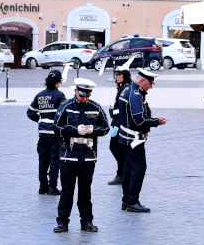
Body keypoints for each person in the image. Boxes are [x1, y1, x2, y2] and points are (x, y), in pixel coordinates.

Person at [52, 78, 109, 233]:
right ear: (76, 91)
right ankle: (62, 222)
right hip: (68, 156)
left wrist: (92, 130)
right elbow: (56, 127)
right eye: (82, 95)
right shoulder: (66, 107)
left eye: (87, 95)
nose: (84, 98)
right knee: (67, 191)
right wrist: (74, 130)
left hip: (87, 156)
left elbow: (105, 128)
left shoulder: (95, 107)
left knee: (85, 191)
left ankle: (87, 222)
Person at [117, 69, 167, 213]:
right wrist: (156, 122)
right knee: (139, 168)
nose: (151, 86)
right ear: (143, 81)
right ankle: (132, 201)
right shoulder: (135, 94)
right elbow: (139, 119)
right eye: (150, 83)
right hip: (133, 139)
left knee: (128, 169)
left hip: (124, 136)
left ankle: (126, 200)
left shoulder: (128, 90)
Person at [27, 70, 67, 195]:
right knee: (54, 159)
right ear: (57, 82)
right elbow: (65, 112)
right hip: (55, 134)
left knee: (43, 160)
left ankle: (42, 186)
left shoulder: (40, 95)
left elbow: (30, 112)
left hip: (43, 133)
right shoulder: (60, 95)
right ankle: (52, 187)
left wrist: (41, 120)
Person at [107, 68, 131, 185]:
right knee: (116, 148)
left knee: (117, 149)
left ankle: (121, 174)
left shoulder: (125, 89)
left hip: (120, 124)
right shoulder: (122, 88)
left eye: (120, 74)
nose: (117, 76)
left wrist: (117, 125)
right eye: (117, 74)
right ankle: (123, 171)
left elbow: (123, 110)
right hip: (117, 122)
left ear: (125, 76)